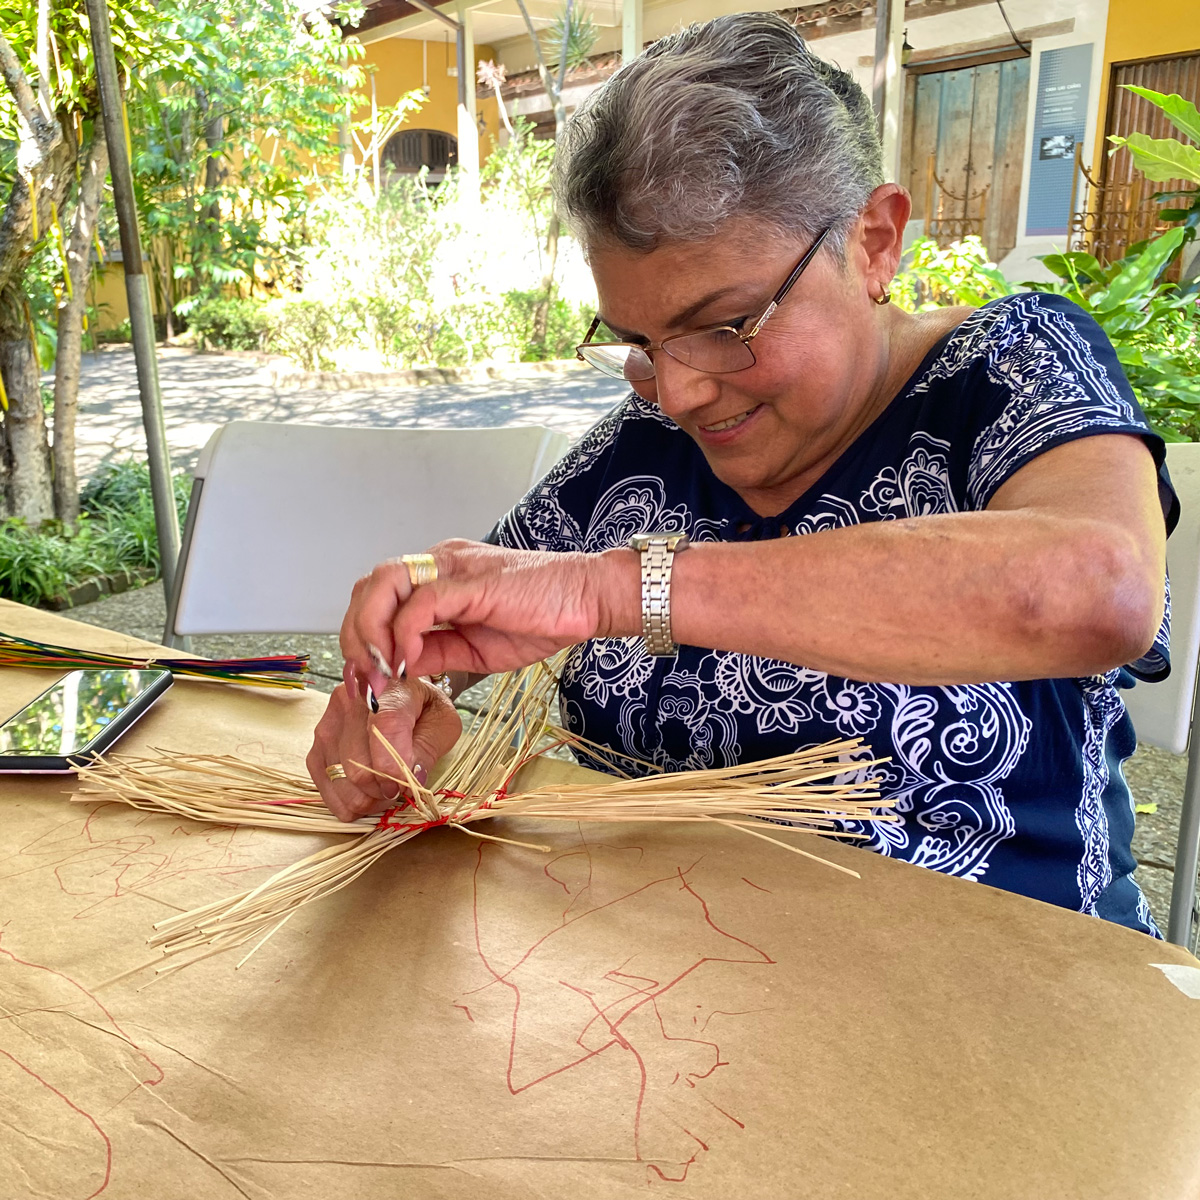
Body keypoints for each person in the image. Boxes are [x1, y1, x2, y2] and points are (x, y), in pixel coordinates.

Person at [307, 12, 1177, 937]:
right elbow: (481, 627)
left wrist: (619, 589)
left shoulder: (1007, 367)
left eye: (727, 323)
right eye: (639, 342)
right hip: (669, 999)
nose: (679, 390)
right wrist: (405, 721)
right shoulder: (640, 452)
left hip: (997, 999)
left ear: (874, 242)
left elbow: (1101, 591)